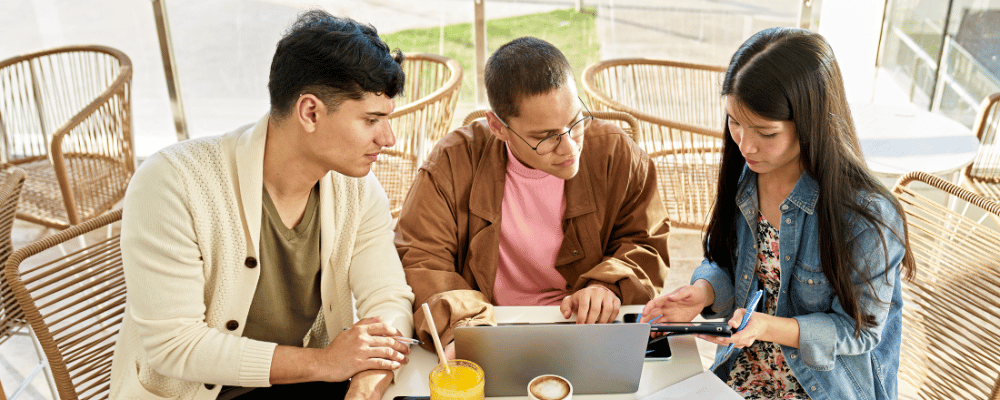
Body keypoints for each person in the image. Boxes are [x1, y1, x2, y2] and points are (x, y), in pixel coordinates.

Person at [110, 10, 415, 400]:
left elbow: (389, 297)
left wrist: (367, 379)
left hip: (304, 384)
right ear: (310, 112)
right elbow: (175, 346)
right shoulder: (172, 183)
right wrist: (326, 364)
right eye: (372, 120)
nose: (388, 139)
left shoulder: (358, 190)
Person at [639, 27, 915, 400]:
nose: (745, 144)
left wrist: (767, 327)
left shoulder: (866, 216)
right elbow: (727, 262)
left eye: (765, 133)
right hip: (741, 372)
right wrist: (703, 292)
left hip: (823, 388)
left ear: (812, 124)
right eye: (734, 122)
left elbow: (859, 331)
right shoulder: (747, 179)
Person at [395, 37, 670, 357]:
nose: (569, 148)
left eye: (575, 122)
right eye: (546, 137)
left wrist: (607, 284)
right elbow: (421, 257)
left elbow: (647, 241)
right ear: (497, 127)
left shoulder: (617, 152)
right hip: (487, 328)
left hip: (586, 330)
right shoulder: (453, 161)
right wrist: (467, 325)